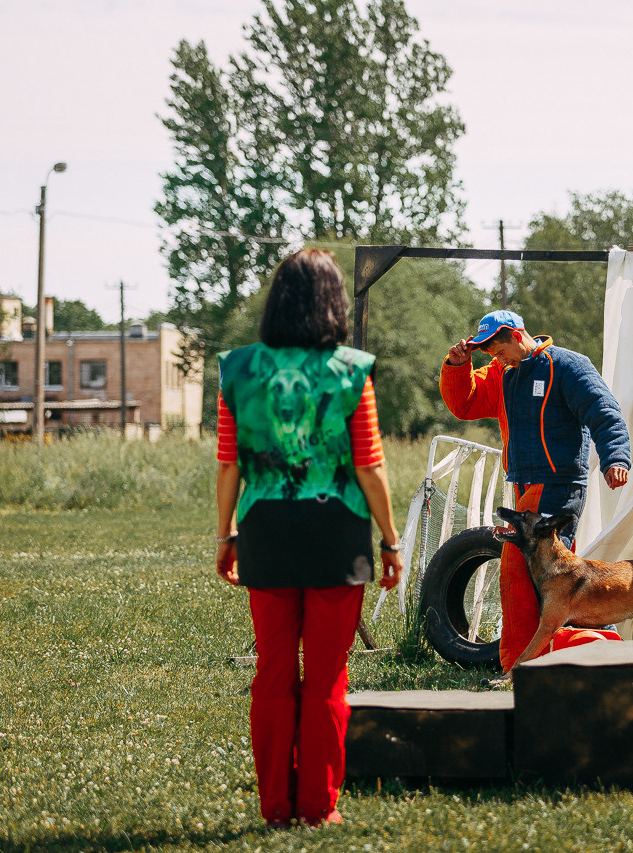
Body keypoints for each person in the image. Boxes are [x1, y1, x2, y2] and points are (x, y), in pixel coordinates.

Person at [214, 248, 403, 828]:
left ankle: (275, 807)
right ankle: (318, 808)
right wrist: (391, 541)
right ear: (334, 303)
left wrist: (225, 536)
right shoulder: (351, 369)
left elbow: (228, 464)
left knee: (272, 671)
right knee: (326, 676)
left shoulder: (237, 368)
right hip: (335, 537)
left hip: (264, 532)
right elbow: (370, 466)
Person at [440, 309, 631, 672]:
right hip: (526, 486)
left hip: (559, 484)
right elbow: (464, 404)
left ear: (516, 335)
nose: (497, 359)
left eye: (498, 351)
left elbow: (604, 412)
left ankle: (520, 668)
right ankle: (589, 650)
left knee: (517, 567)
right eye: (492, 356)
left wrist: (615, 458)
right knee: (554, 578)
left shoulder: (568, 366)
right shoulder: (503, 373)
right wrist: (456, 366)